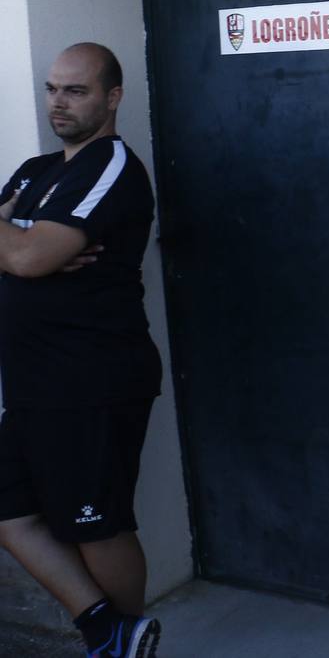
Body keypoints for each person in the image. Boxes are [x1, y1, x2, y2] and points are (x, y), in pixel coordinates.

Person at [0, 43, 162, 658]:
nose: (58, 103)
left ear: (112, 97)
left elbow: (26, 257)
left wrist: (23, 244)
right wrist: (23, 244)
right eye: (51, 90)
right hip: (35, 382)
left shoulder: (111, 167)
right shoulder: (35, 171)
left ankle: (124, 639)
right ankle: (106, 628)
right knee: (9, 508)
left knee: (98, 524)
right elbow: (25, 254)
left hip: (90, 379)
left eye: (76, 91)